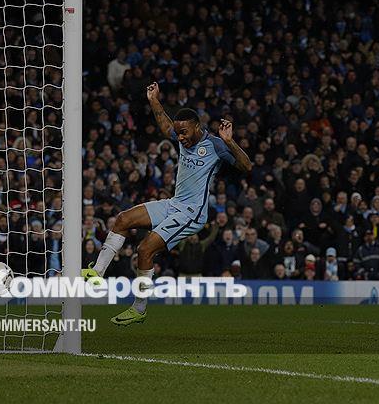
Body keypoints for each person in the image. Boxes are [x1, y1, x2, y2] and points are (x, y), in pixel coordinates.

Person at [82, 82, 252, 325]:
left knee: (144, 249)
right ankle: (97, 273)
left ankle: (139, 308)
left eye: (184, 133)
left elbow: (247, 167)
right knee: (122, 219)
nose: (180, 138)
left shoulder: (215, 146)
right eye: (178, 133)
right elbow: (165, 126)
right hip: (174, 204)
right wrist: (154, 100)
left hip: (192, 213)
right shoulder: (182, 136)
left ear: (197, 127)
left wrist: (230, 141)